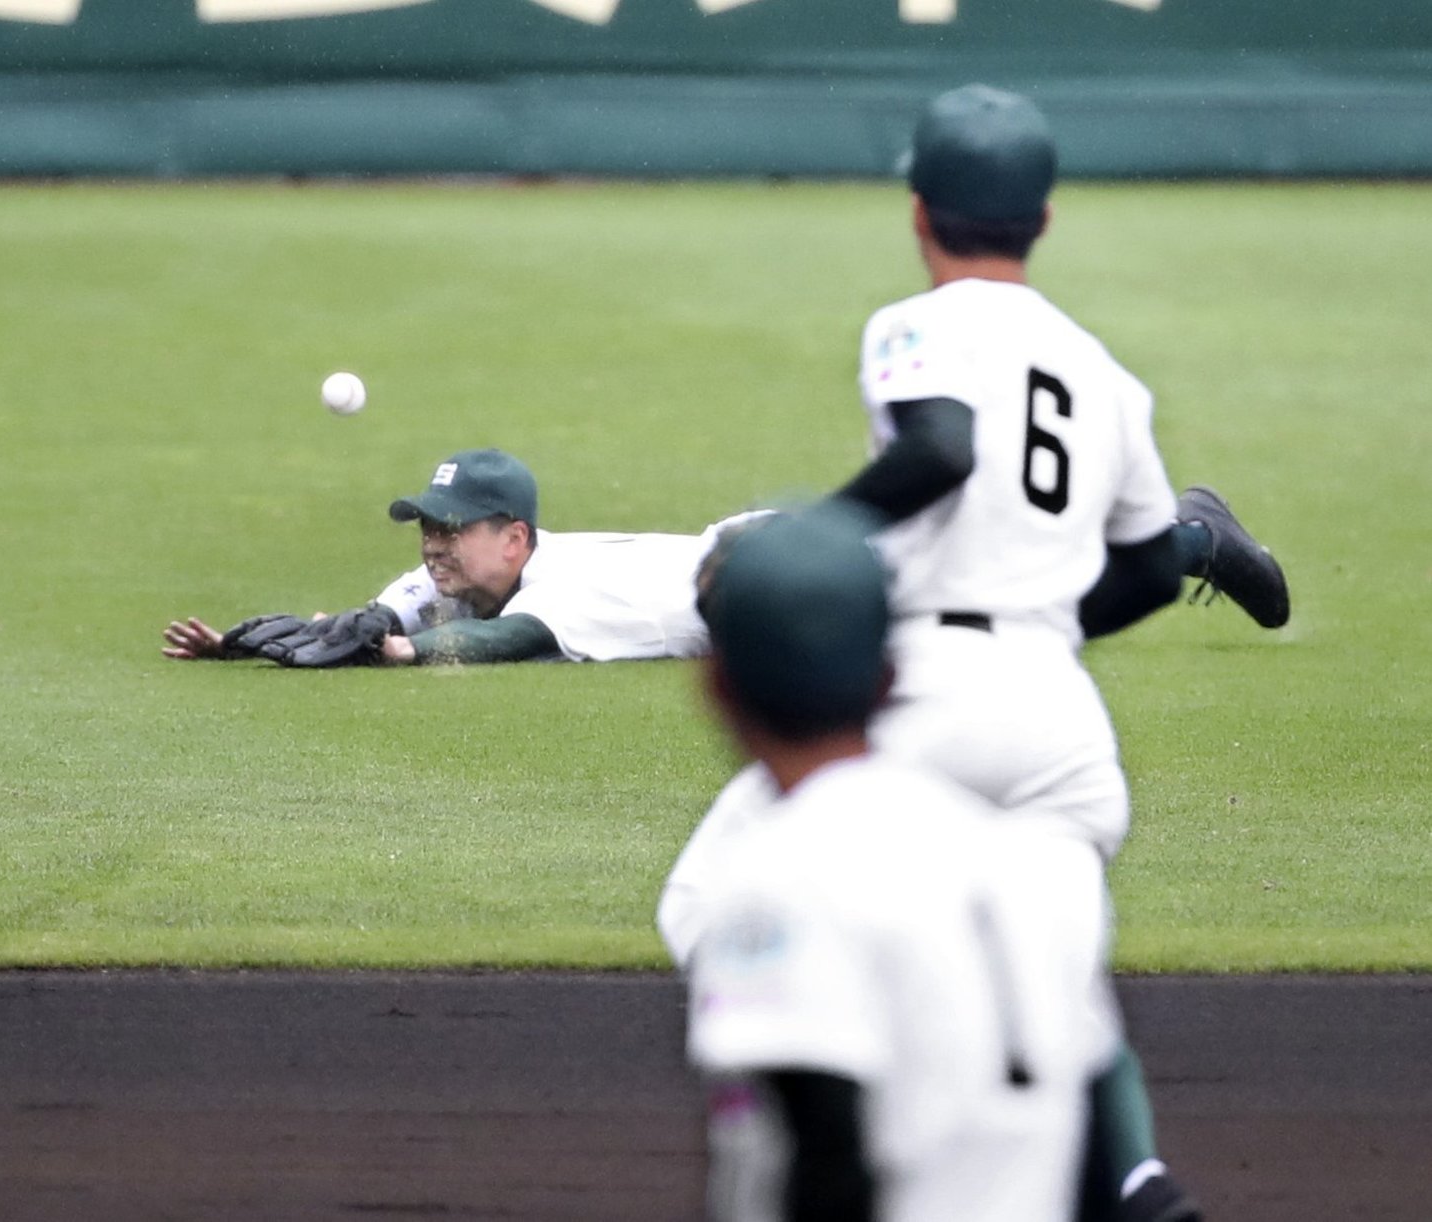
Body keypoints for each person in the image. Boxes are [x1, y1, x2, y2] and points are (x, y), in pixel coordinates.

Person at [664, 83, 1266, 1222]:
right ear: (1043, 219)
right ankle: (1133, 1186)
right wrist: (1038, 619)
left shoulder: (917, 324)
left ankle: (843, 1136)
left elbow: (942, 445)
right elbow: (1149, 568)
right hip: (1060, 724)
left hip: (930, 699)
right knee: (1049, 980)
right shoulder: (1105, 374)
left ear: (918, 211)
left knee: (710, 899)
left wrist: (808, 537)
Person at [683, 504, 1121, 1222]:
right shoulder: (1033, 866)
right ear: (888, 679)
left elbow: (826, 1161)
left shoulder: (771, 875)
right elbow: (1096, 1150)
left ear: (717, 688)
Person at [162, 448, 767, 668]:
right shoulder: (462, 575)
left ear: (514, 539)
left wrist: (405, 652)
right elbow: (372, 621)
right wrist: (238, 646)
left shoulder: (569, 588)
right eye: (428, 527)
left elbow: (504, 638)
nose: (433, 544)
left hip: (762, 568)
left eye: (452, 530)